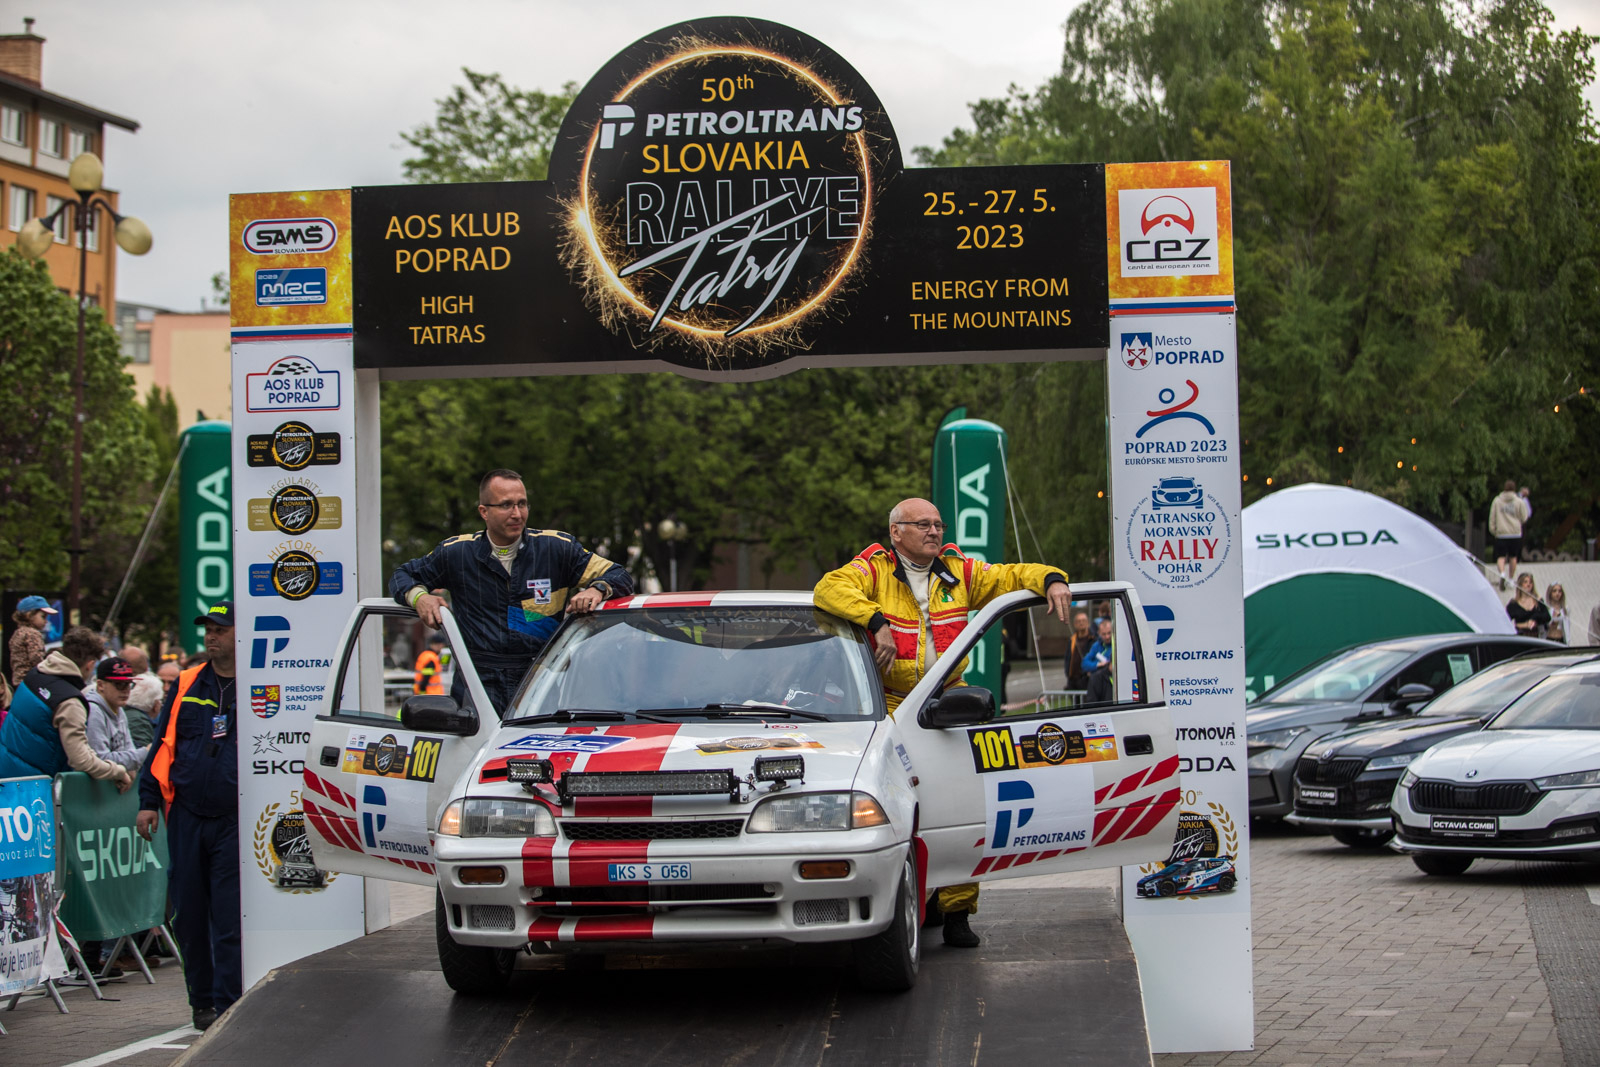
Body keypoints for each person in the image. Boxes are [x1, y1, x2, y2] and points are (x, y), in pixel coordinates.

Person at [813, 496, 1072, 949]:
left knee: (962, 804)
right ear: (896, 533)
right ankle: (909, 899)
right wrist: (875, 620)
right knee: (895, 804)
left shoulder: (958, 570)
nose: (934, 531)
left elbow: (1011, 575)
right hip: (890, 704)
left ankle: (956, 913)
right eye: (923, 524)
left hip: (947, 699)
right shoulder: (873, 568)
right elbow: (827, 589)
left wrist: (1052, 579)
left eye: (938, 524)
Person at [389, 469, 634, 717]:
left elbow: (619, 575)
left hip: (540, 683)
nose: (517, 514)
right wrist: (420, 598)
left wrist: (597, 590)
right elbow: (402, 576)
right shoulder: (456, 553)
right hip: (477, 684)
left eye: (522, 504)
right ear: (484, 511)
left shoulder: (557, 549)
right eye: (506, 505)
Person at [135, 601, 241, 1032]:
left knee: (230, 918)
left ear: (240, 633)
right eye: (208, 629)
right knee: (190, 917)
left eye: (220, 629)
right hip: (186, 815)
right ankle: (202, 1002)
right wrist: (147, 800)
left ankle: (230, 1002)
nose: (211, 636)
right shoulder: (187, 682)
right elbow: (162, 744)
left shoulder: (261, 683)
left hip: (235, 819)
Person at [0, 626, 133, 790]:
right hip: (35, 790)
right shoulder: (69, 701)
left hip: (6, 776)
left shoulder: (34, 675)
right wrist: (117, 771)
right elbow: (81, 760)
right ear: (90, 665)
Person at [1488, 480, 1531, 590]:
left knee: (1500, 557)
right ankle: (1511, 579)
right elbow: (1524, 517)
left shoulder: (1497, 501)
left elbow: (1492, 517)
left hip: (1501, 534)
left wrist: (1494, 530)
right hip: (1515, 534)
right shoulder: (1519, 501)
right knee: (1513, 557)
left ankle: (1502, 573)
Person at [9, 595, 57, 687]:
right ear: (29, 615)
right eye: (43, 616)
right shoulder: (33, 634)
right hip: (32, 682)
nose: (46, 621)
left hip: (19, 680)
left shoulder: (18, 633)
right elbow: (37, 659)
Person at [1082, 616, 1117, 703]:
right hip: (1097, 683)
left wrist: (1093, 667)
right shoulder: (1096, 645)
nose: (1107, 637)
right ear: (1099, 633)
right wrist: (1097, 665)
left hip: (1111, 683)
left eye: (1109, 633)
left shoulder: (1117, 644)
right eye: (1104, 634)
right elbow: (1084, 663)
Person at [1505, 572, 1549, 637]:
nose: (1528, 584)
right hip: (1520, 636)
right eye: (1525, 582)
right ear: (1520, 584)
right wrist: (1523, 625)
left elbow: (1547, 616)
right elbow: (1505, 620)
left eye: (1530, 582)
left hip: (1536, 635)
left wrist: (1534, 618)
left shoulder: (1538, 600)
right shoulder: (1513, 603)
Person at [1064, 609, 1093, 693]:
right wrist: (1068, 673)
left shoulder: (1093, 639)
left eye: (1083, 620)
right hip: (1073, 681)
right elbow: (1067, 658)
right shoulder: (1072, 640)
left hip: (1086, 680)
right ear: (1075, 624)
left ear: (1088, 622)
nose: (1081, 623)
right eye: (1078, 621)